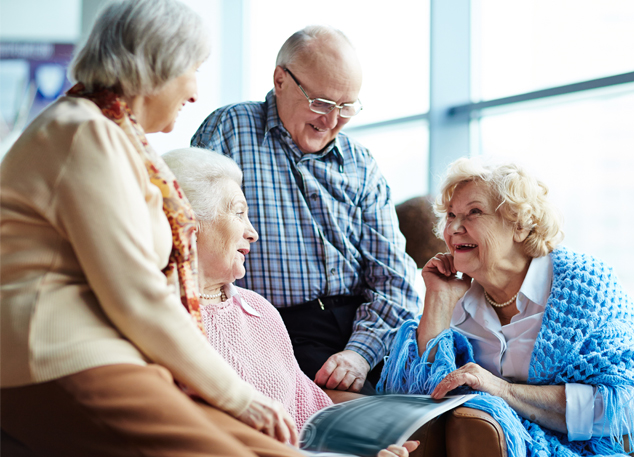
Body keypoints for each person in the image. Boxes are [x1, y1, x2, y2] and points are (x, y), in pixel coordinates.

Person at [0, 1, 301, 455]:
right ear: (157, 66)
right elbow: (137, 295)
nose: (196, 92)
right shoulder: (82, 132)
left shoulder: (115, 138)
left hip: (110, 354)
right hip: (56, 355)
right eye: (193, 70)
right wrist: (239, 396)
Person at [378, 158, 634, 457]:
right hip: (546, 443)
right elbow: (419, 401)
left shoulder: (584, 283)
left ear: (520, 223)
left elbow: (626, 406)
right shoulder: (455, 295)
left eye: (473, 212)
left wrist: (504, 390)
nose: (453, 228)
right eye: (450, 215)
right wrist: (437, 300)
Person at [191, 25, 421, 394]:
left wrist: (360, 355)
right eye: (322, 103)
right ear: (280, 80)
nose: (332, 121)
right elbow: (195, 239)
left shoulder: (361, 163)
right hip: (270, 328)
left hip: (363, 329)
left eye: (346, 107)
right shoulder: (231, 128)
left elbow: (396, 280)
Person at [162, 147, 417, 457]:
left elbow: (309, 414)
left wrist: (367, 446)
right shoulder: (160, 317)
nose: (252, 233)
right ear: (189, 220)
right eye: (239, 213)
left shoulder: (261, 312)